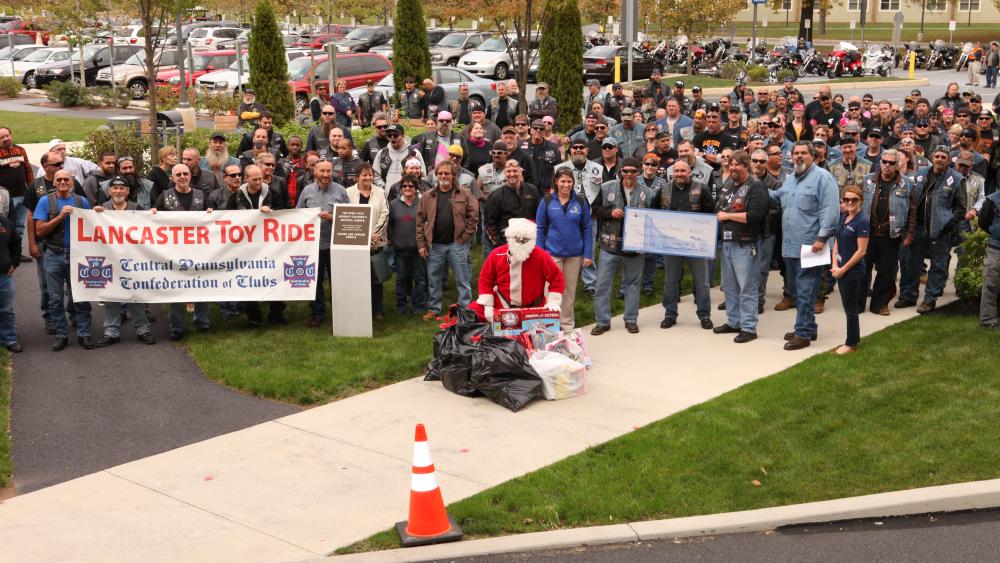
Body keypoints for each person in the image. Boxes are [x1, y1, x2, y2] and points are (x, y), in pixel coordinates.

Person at [770, 141, 840, 351]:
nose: (799, 156)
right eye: (795, 153)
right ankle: (808, 327)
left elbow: (830, 210)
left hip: (812, 245)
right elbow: (776, 197)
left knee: (806, 290)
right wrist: (755, 186)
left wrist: (822, 238)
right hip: (791, 245)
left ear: (813, 156)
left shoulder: (823, 178)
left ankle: (802, 334)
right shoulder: (790, 179)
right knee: (796, 288)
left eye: (803, 153)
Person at [896, 146, 967, 314]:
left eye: (944, 156)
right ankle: (908, 296)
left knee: (938, 266)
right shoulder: (920, 175)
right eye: (937, 156)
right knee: (911, 263)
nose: (940, 159)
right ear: (932, 157)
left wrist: (947, 225)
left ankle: (929, 300)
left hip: (940, 230)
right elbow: (911, 199)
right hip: (919, 227)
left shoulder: (956, 179)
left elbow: (961, 209)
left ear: (948, 160)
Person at [590, 157, 657, 335]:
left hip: (635, 247)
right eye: (625, 171)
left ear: (639, 172)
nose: (629, 174)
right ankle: (603, 321)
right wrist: (610, 212)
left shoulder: (648, 193)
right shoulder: (606, 188)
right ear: (621, 171)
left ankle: (630, 319)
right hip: (609, 244)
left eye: (633, 171)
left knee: (632, 284)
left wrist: (647, 243)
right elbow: (594, 210)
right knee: (603, 284)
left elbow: (654, 221)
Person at [150, 164, 212, 341]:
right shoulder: (165, 196)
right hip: (174, 253)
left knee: (201, 286)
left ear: (190, 176)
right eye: (179, 174)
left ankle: (203, 322)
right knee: (176, 288)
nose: (183, 177)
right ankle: (177, 327)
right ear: (172, 177)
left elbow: (213, 217)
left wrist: (210, 213)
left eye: (185, 173)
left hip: (199, 251)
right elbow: (153, 218)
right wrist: (153, 212)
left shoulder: (201, 195)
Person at [712, 151, 768, 343]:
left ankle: (749, 327)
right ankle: (733, 321)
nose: (733, 167)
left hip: (745, 243)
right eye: (730, 164)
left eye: (737, 164)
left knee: (747, 287)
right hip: (727, 241)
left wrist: (727, 216)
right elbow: (719, 208)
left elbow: (755, 216)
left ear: (746, 166)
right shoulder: (729, 184)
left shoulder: (756, 186)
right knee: (729, 287)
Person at [92, 176, 154, 347]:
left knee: (136, 295)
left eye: (122, 188)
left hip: (133, 260)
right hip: (109, 259)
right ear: (109, 191)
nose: (118, 191)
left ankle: (143, 329)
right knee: (111, 296)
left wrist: (154, 216)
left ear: (127, 191)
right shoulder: (100, 210)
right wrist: (91, 215)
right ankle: (111, 332)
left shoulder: (137, 209)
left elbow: (151, 229)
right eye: (115, 188)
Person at [34, 168, 92, 351]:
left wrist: (98, 212)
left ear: (72, 182)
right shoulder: (45, 201)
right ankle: (61, 334)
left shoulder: (81, 201)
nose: (62, 182)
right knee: (55, 298)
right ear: (54, 183)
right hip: (53, 254)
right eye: (59, 180)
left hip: (77, 255)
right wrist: (60, 217)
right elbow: (40, 230)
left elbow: (92, 225)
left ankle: (84, 334)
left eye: (66, 179)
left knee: (81, 297)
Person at [416, 160, 478, 320]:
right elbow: (420, 220)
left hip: (457, 244)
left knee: (462, 279)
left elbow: (474, 216)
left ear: (453, 176)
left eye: (447, 173)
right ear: (436, 175)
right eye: (440, 173)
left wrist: (465, 237)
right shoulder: (428, 196)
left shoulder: (464, 193)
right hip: (434, 245)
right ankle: (434, 309)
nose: (443, 176)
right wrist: (421, 244)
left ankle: (465, 310)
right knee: (434, 279)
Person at [658, 159, 716, 331]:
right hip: (671, 244)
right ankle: (670, 314)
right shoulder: (664, 190)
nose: (679, 174)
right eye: (676, 171)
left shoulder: (702, 189)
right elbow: (654, 212)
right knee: (670, 281)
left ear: (690, 172)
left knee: (702, 282)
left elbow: (711, 214)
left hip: (696, 244)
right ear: (672, 173)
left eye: (683, 171)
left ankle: (704, 315)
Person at [473, 217, 565, 323]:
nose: (521, 242)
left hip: (533, 309)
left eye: (525, 240)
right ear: (510, 238)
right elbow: (486, 280)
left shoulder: (541, 256)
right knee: (468, 313)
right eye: (517, 239)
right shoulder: (497, 255)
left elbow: (557, 278)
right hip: (502, 304)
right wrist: (488, 306)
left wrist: (553, 302)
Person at [860, 149, 915, 316]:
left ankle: (880, 304)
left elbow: (913, 211)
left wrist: (909, 234)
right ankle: (857, 304)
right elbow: (857, 203)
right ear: (880, 162)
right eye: (884, 162)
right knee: (862, 270)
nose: (887, 166)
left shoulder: (907, 184)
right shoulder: (867, 180)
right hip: (867, 234)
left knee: (885, 272)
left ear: (897, 165)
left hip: (891, 235)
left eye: (891, 163)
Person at [535, 169, 592, 330]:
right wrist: (540, 254)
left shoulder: (580, 202)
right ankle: (549, 325)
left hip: (574, 255)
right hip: (552, 255)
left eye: (569, 181)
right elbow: (540, 228)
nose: (566, 185)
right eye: (563, 181)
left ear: (573, 183)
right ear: (556, 182)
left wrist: (588, 253)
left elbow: (587, 228)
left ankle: (567, 326)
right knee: (550, 290)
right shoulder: (546, 202)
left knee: (569, 291)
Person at [296, 160, 349, 327]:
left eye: (328, 171)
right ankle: (317, 313)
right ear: (315, 172)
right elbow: (298, 215)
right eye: (322, 171)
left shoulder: (341, 191)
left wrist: (332, 217)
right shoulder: (307, 191)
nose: (326, 175)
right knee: (316, 281)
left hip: (336, 244)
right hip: (314, 246)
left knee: (338, 280)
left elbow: (349, 217)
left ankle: (341, 313)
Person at [347, 164, 389, 319]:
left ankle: (377, 309)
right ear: (357, 176)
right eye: (364, 175)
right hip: (355, 242)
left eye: (370, 175)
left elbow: (385, 214)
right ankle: (359, 308)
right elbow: (347, 216)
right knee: (358, 277)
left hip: (375, 242)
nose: (368, 178)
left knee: (376, 277)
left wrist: (374, 236)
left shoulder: (380, 192)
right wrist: (363, 237)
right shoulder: (348, 192)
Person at [831, 185, 869, 355]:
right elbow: (837, 242)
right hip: (840, 269)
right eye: (847, 199)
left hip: (852, 271)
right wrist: (834, 265)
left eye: (854, 199)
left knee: (850, 307)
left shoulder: (862, 221)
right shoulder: (843, 217)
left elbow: (862, 251)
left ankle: (851, 343)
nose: (850, 202)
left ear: (860, 200)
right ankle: (853, 339)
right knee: (847, 306)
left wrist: (843, 269)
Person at [388, 174, 428, 315]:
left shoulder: (423, 203)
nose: (407, 188)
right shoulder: (393, 204)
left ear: (416, 188)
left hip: (419, 249)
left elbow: (427, 224)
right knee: (401, 279)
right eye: (404, 186)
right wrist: (394, 240)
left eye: (411, 186)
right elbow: (389, 226)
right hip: (400, 250)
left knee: (420, 279)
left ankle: (419, 306)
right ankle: (401, 306)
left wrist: (424, 243)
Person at [483, 160, 542, 250]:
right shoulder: (496, 196)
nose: (512, 174)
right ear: (504, 173)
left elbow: (540, 217)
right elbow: (489, 223)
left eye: (515, 171)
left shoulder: (532, 190)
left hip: (530, 242)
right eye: (508, 171)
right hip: (507, 245)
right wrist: (500, 244)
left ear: (520, 172)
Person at [0, 127, 32, 255]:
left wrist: (31, 188)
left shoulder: (20, 150)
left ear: (11, 135)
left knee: (19, 226)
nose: (6, 139)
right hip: (5, 198)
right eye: (2, 137)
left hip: (22, 194)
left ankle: (17, 253)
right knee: (5, 226)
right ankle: (4, 254)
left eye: (7, 135)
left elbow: (28, 169)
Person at [374, 124, 424, 189]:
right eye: (389, 135)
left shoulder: (414, 153)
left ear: (403, 136)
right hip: (387, 195)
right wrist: (384, 188)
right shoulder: (382, 153)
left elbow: (422, 175)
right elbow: (375, 175)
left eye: (395, 135)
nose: (392, 137)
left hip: (409, 194)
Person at [979, 187, 1000, 329]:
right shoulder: (993, 200)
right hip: (996, 248)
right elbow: (983, 222)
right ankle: (988, 319)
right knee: (991, 283)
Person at [0, 195, 18, 352]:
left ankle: (9, 339)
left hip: (3, 275)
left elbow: (16, 243)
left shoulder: (5, 222)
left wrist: (14, 262)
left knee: (6, 310)